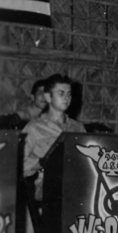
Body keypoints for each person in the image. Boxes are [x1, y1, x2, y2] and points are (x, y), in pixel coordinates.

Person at [23, 73, 85, 202]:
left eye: (69, 94)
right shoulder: (34, 128)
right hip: (47, 193)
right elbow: (18, 165)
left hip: (76, 190)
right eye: (61, 93)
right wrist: (41, 163)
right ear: (48, 97)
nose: (66, 98)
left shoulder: (78, 128)